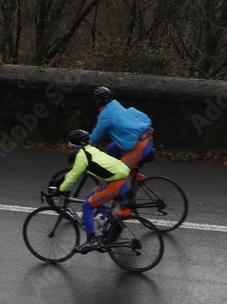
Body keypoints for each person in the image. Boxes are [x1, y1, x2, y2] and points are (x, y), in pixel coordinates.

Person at [48, 129, 131, 253]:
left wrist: (60, 190)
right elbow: (72, 173)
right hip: (120, 178)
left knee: (87, 206)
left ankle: (91, 240)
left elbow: (72, 176)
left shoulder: (82, 157)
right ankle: (114, 220)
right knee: (90, 197)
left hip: (116, 183)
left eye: (70, 145)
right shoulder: (90, 149)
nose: (69, 147)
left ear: (74, 145)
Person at [90, 86, 154, 215]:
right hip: (147, 139)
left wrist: (82, 148)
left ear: (99, 101)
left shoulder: (105, 115)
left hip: (139, 147)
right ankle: (134, 176)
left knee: (118, 173)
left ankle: (126, 209)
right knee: (112, 149)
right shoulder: (115, 104)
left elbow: (95, 136)